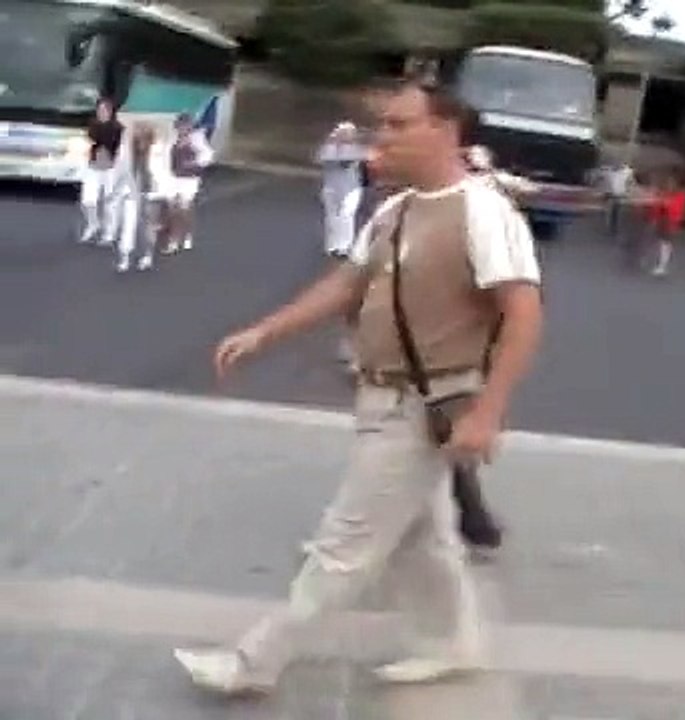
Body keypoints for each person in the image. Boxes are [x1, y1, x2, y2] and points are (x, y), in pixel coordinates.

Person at [173, 78, 543, 695]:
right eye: (383, 125)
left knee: (344, 544)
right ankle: (453, 642)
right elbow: (346, 284)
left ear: (445, 131)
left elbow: (524, 312)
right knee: (423, 539)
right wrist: (266, 332)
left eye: (399, 125)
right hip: (384, 397)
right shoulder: (397, 210)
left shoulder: (482, 211)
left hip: (423, 404)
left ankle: (254, 662)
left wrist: (488, 411)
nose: (383, 138)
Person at [112, 122, 169, 273]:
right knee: (128, 226)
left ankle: (147, 255)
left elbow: (163, 173)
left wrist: (164, 192)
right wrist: (116, 192)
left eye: (144, 137)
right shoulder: (126, 153)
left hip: (151, 194)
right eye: (138, 137)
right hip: (131, 193)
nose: (141, 141)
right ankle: (125, 257)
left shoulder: (158, 152)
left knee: (148, 226)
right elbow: (120, 173)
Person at [163, 113, 214, 254]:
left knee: (185, 207)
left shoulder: (197, 138)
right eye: (180, 126)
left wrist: (194, 163)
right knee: (173, 208)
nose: (183, 129)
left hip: (190, 179)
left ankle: (187, 234)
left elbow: (208, 155)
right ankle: (174, 239)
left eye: (186, 126)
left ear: (190, 127)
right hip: (173, 177)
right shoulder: (172, 139)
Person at [316, 121, 367, 259]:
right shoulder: (329, 149)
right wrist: (333, 144)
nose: (346, 136)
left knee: (347, 214)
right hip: (331, 188)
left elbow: (354, 160)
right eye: (343, 133)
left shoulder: (356, 149)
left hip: (352, 188)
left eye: (349, 133)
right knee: (332, 217)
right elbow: (322, 159)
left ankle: (344, 247)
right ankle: (332, 246)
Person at [78, 97, 125, 246]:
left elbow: (116, 146)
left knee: (110, 202)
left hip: (110, 169)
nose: (101, 113)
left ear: (110, 112)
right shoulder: (93, 125)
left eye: (104, 110)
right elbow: (89, 141)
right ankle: (93, 224)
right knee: (87, 200)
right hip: (93, 167)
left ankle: (109, 233)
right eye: (99, 110)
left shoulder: (117, 128)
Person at [646, 169, 685, 277]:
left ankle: (662, 266)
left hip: (670, 222)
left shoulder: (681, 195)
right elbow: (657, 205)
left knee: (665, 243)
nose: (669, 184)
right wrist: (653, 216)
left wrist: (665, 203)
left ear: (677, 184)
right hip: (662, 220)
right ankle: (659, 263)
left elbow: (678, 209)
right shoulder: (665, 193)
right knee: (660, 242)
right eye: (668, 182)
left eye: (672, 182)